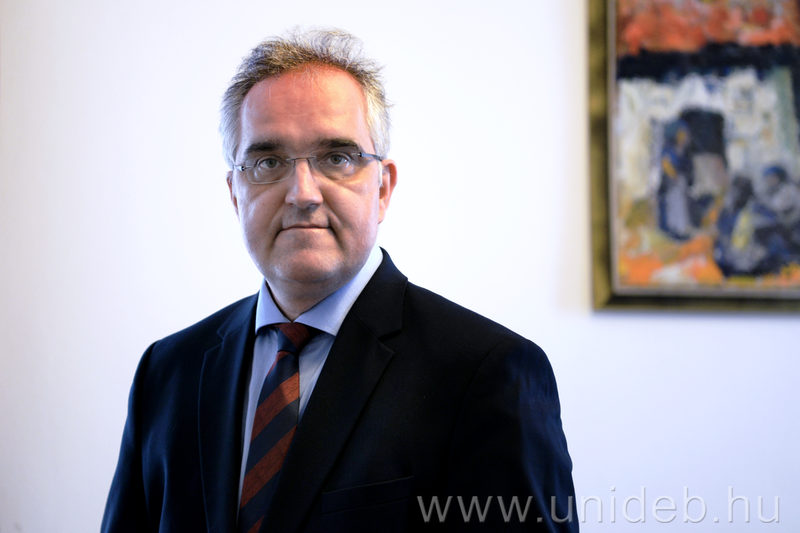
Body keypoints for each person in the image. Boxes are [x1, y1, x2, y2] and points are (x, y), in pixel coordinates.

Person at [101, 28, 576, 532]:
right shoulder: (167, 373)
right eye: (268, 162)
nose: (303, 193)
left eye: (337, 158)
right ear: (235, 194)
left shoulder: (486, 374)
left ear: (383, 189)